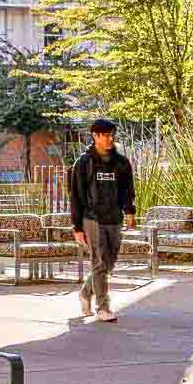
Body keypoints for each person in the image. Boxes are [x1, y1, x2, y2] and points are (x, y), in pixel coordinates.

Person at [68, 118, 136, 322]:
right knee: (98, 262)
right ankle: (103, 307)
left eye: (111, 135)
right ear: (95, 136)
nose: (109, 139)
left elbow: (127, 189)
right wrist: (77, 226)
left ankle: (85, 292)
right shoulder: (83, 163)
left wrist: (129, 211)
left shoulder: (121, 163)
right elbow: (76, 195)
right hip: (92, 218)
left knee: (109, 262)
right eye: (105, 135)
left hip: (114, 217)